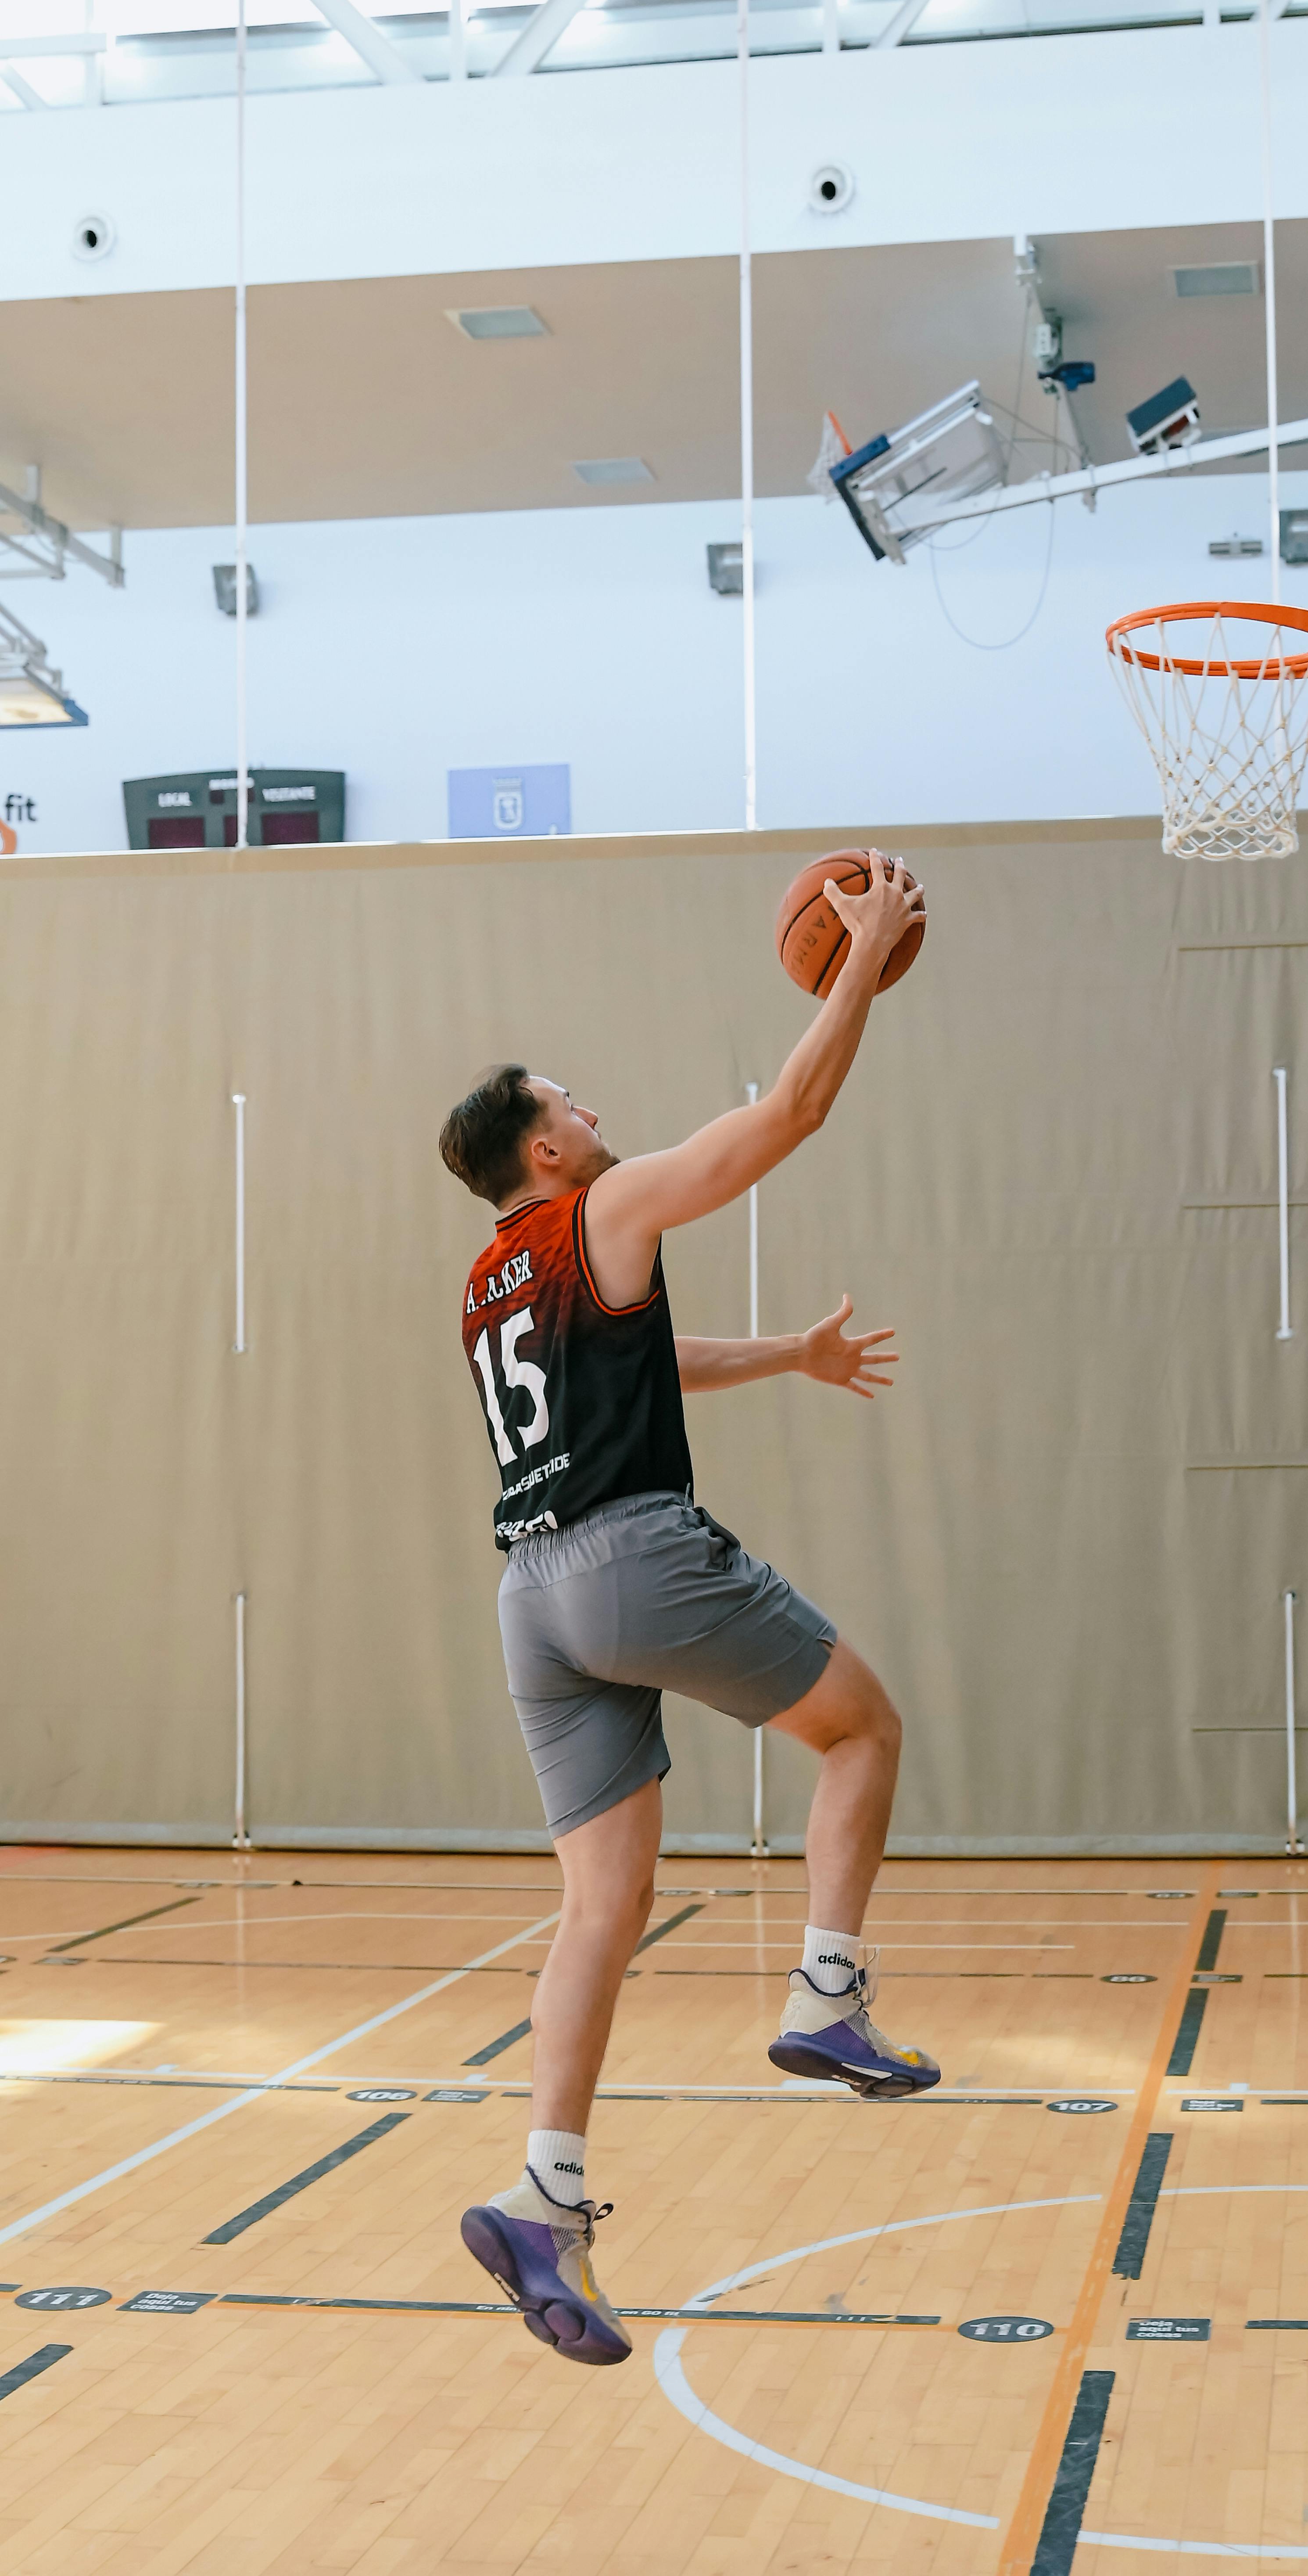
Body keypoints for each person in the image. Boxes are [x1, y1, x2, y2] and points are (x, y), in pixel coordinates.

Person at [437, 852, 935, 2368]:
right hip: (634, 1559)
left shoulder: (489, 1281)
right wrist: (866, 957)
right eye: (571, 1099)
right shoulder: (613, 1201)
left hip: (533, 1601)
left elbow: (643, 1366)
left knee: (600, 1908)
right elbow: (788, 1116)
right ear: (541, 1140)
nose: (595, 1113)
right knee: (861, 1732)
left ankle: (547, 2194)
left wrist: (790, 1353)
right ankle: (829, 1995)